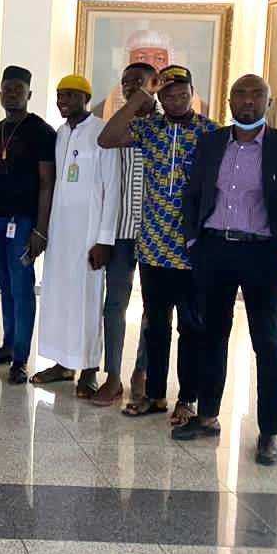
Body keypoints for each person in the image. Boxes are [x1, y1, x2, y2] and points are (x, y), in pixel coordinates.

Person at [174, 75, 277, 466]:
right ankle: (207, 416)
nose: (247, 101)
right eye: (240, 94)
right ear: (229, 101)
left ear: (269, 102)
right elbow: (194, 194)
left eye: (256, 95)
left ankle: (269, 432)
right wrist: (193, 240)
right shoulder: (211, 142)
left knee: (267, 343)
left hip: (263, 254)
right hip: (215, 249)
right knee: (211, 335)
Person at [99, 65, 217, 426]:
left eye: (183, 94)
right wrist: (141, 95)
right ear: (160, 96)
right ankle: (154, 395)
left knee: (191, 328)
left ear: (193, 94)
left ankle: (187, 399)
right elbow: (107, 138)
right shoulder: (149, 128)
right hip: (152, 246)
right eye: (168, 94)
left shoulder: (211, 133)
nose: (176, 100)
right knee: (156, 326)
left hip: (193, 248)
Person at [30, 76, 119, 395]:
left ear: (86, 97)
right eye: (59, 95)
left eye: (69, 95)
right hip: (60, 231)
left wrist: (104, 239)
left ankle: (89, 369)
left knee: (87, 301)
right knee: (58, 297)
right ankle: (62, 363)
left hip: (89, 234)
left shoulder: (102, 132)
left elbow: (112, 188)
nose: (62, 100)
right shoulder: (60, 134)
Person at [0, 66, 56, 384]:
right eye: (7, 89)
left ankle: (21, 358)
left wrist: (41, 229)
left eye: (18, 90)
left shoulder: (41, 131)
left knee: (22, 288)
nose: (11, 94)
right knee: (6, 286)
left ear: (29, 94)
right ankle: (8, 346)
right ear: (0, 94)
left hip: (24, 221)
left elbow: (47, 182)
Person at [92, 63, 157, 407]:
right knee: (114, 303)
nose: (131, 87)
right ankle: (113, 376)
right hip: (120, 231)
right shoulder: (121, 126)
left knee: (154, 308)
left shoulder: (165, 125)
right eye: (126, 83)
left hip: (157, 233)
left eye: (138, 82)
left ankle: (141, 373)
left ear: (154, 84)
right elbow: (105, 141)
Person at [96, 29, 203, 120]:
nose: (151, 64)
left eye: (159, 58)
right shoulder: (104, 106)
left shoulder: (203, 123)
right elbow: (108, 137)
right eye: (141, 58)